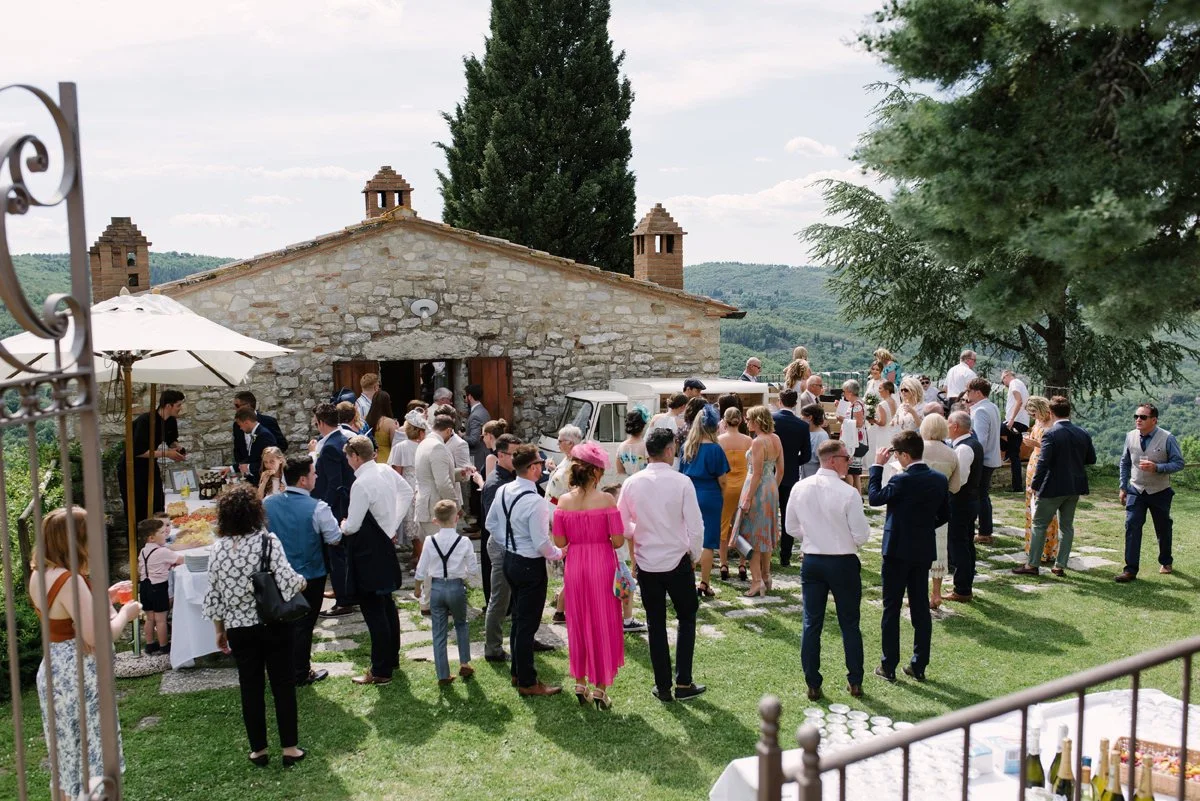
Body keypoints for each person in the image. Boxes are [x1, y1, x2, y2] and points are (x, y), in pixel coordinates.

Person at [30, 507, 140, 800]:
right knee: (93, 761)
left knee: (66, 759)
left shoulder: (41, 574)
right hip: (78, 675)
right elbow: (98, 637)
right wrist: (125, 614)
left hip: (54, 670)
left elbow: (65, 614)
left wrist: (105, 597)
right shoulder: (70, 580)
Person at [202, 486, 307, 768]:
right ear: (255, 512)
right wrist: (303, 582)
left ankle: (258, 750)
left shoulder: (216, 550)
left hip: (238, 627)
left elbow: (214, 595)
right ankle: (289, 747)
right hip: (271, 622)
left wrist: (219, 629)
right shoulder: (267, 542)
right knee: (282, 685)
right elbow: (288, 582)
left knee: (250, 688)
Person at [617, 429, 707, 703]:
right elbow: (696, 526)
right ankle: (683, 681)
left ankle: (664, 686)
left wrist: (639, 530)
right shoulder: (681, 482)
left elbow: (621, 525)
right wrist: (693, 555)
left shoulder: (632, 483)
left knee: (656, 624)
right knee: (687, 617)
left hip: (647, 561)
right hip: (677, 558)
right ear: (668, 450)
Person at [786, 439, 871, 700]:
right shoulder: (848, 493)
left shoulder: (800, 488)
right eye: (846, 458)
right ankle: (854, 680)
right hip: (842, 560)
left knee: (812, 623)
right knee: (849, 623)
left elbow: (791, 527)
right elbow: (861, 535)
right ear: (833, 460)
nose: (849, 462)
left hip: (813, 559)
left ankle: (813, 682)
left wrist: (813, 536)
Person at [867, 431, 950, 683]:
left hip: (896, 550)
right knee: (920, 607)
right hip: (922, 549)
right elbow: (944, 515)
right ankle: (919, 664)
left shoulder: (901, 480)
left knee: (891, 608)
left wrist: (876, 467)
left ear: (904, 454)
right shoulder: (938, 479)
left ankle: (888, 665)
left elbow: (874, 498)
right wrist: (923, 528)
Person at [486, 444, 565, 696]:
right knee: (526, 625)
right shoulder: (536, 502)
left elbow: (491, 523)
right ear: (532, 469)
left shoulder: (504, 490)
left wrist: (509, 542)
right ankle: (528, 681)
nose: (542, 467)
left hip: (509, 559)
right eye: (540, 464)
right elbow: (542, 543)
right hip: (530, 565)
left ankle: (517, 673)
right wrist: (560, 553)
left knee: (519, 619)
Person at [552, 442, 626, 709]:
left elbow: (559, 541)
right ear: (595, 473)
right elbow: (618, 541)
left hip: (576, 565)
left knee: (579, 622)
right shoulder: (606, 500)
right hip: (602, 564)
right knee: (603, 622)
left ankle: (580, 682)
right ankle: (600, 689)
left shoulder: (563, 501)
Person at [263, 454, 343, 686]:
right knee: (304, 625)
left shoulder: (268, 503)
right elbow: (334, 538)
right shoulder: (318, 507)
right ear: (302, 480)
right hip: (310, 574)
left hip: (277, 574)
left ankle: (280, 668)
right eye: (313, 473)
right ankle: (300, 671)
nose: (316, 475)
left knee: (279, 623)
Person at [342, 435, 412, 685]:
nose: (348, 461)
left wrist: (342, 525)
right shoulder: (384, 470)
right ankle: (391, 658)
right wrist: (392, 523)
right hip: (385, 542)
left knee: (374, 610)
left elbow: (352, 525)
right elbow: (407, 491)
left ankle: (381, 670)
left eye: (348, 456)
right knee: (386, 604)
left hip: (369, 551)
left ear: (356, 457)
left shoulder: (360, 484)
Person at [1013, 396, 1096, 578]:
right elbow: (1091, 459)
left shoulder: (1051, 433)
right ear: (1069, 412)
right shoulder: (1083, 432)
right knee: (1067, 527)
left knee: (1039, 524)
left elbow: (1043, 462)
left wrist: (1034, 485)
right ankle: (1060, 565)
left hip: (1052, 486)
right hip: (1074, 486)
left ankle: (1032, 564)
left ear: (1050, 413)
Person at [1116, 402, 1184, 582]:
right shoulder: (1130, 436)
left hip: (1160, 491)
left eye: (1143, 417)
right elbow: (1125, 462)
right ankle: (1130, 570)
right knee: (1132, 526)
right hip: (1136, 489)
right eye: (1136, 416)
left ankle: (1166, 561)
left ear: (1154, 420)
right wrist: (1123, 487)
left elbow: (1179, 463)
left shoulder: (1168, 438)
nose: (1138, 420)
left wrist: (1158, 468)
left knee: (1163, 527)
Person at [414, 500, 479, 685]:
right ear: (456, 518)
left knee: (438, 631)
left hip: (436, 588)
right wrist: (462, 573)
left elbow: (421, 568)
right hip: (456, 586)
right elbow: (473, 570)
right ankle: (464, 662)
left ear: (435, 520)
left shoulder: (429, 540)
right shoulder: (464, 541)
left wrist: (418, 588)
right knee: (461, 624)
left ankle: (443, 673)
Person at [310, 402, 356, 618]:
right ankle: (345, 590)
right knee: (344, 553)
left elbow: (334, 483)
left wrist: (323, 509)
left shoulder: (329, 446)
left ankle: (344, 600)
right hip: (348, 502)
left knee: (336, 554)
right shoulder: (346, 436)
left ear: (320, 423)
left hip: (335, 507)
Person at [679, 404, 730, 597]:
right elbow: (723, 480)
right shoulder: (715, 449)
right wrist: (722, 497)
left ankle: (687, 580)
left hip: (689, 493)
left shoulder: (687, 447)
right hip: (710, 494)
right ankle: (704, 583)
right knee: (707, 541)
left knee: (687, 537)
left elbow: (681, 474)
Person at [413, 415, 461, 610]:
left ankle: (426, 598)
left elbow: (432, 476)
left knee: (430, 554)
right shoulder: (438, 447)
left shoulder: (424, 443)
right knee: (440, 555)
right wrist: (456, 504)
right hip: (436, 506)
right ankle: (433, 601)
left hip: (424, 502)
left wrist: (460, 473)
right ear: (449, 430)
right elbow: (442, 483)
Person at [118, 388, 186, 525]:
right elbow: (138, 451)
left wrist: (177, 448)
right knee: (138, 507)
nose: (180, 408)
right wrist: (167, 454)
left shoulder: (171, 421)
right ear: (168, 406)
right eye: (178, 405)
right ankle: (138, 543)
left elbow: (170, 440)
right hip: (132, 467)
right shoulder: (146, 421)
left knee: (157, 501)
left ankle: (158, 536)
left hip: (150, 464)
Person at [482, 433, 521, 661]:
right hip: (502, 548)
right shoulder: (495, 484)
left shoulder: (516, 478)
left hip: (517, 546)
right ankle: (493, 649)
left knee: (519, 597)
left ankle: (523, 637)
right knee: (499, 599)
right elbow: (492, 523)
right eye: (513, 455)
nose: (517, 459)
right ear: (500, 455)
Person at [920, 414, 963, 608]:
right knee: (938, 551)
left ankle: (918, 593)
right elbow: (955, 487)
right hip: (940, 506)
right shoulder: (951, 453)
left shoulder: (917, 449)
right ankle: (936, 594)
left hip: (917, 505)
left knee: (916, 551)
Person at [741, 405, 783, 596]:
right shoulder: (776, 438)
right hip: (771, 487)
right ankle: (767, 576)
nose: (746, 422)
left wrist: (748, 498)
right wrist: (772, 486)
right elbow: (781, 469)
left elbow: (756, 473)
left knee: (753, 535)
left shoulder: (758, 442)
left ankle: (757, 580)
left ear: (757, 421)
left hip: (756, 488)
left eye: (749, 419)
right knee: (766, 534)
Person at [772, 389, 812, 568]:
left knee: (767, 513)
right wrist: (793, 462)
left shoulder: (772, 419)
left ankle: (765, 551)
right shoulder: (802, 426)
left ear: (780, 400)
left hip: (770, 472)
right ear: (795, 403)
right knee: (787, 516)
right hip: (790, 475)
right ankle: (785, 556)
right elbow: (807, 455)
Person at [945, 411, 983, 601]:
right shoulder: (970, 443)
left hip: (960, 502)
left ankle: (962, 589)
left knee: (959, 545)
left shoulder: (964, 449)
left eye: (948, 422)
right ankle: (965, 583)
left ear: (955, 427)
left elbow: (959, 481)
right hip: (970, 500)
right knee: (966, 543)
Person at [1022, 397, 1060, 565]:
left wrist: (1035, 443)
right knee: (1031, 507)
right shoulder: (1037, 422)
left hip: (1043, 465)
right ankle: (1032, 546)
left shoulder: (1052, 424)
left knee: (1044, 509)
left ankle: (1047, 549)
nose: (1033, 415)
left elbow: (1051, 447)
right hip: (1033, 463)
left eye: (1034, 412)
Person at [137, 518, 183, 655]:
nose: (166, 535)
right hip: (158, 588)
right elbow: (180, 560)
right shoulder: (163, 551)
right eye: (162, 533)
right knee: (161, 619)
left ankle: (150, 644)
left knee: (150, 618)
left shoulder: (143, 551)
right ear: (152, 538)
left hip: (145, 587)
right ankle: (164, 645)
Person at [966, 377, 1002, 544]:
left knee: (979, 496)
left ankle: (984, 532)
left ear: (977, 392)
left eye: (969, 391)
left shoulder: (980, 410)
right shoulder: (992, 406)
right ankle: (985, 530)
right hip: (992, 457)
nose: (967, 395)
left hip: (982, 459)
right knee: (983, 495)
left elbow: (980, 441)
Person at [718, 407, 752, 582]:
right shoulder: (748, 441)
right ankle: (742, 563)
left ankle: (723, 563)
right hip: (744, 486)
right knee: (742, 526)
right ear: (740, 421)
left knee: (724, 526)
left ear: (724, 420)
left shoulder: (719, 441)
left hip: (726, 487)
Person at [463, 383, 491, 529]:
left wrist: (459, 436)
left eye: (465, 396)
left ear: (470, 396)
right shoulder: (483, 411)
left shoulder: (476, 415)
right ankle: (479, 522)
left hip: (478, 455)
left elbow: (473, 440)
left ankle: (480, 524)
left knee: (477, 489)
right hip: (482, 453)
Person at [233, 406, 278, 486]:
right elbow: (253, 457)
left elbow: (270, 463)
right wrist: (232, 468)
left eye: (240, 425)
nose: (240, 428)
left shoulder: (264, 435)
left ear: (247, 422)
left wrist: (249, 467)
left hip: (265, 482)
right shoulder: (257, 433)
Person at [1000, 370, 1030, 492]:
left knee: (992, 431)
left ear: (1007, 376)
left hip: (1015, 421)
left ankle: (1004, 452)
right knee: (1014, 455)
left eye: (1003, 380)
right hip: (1022, 422)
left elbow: (1019, 401)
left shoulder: (1014, 383)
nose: (1004, 383)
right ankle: (1017, 487)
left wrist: (1011, 419)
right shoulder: (1020, 384)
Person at [232, 391, 288, 455]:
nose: (235, 409)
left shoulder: (268, 421)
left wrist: (267, 459)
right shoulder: (236, 425)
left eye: (237, 405)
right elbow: (237, 449)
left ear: (248, 405)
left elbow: (282, 445)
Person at [837, 380, 867, 491]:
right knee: (855, 472)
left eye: (844, 392)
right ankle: (857, 495)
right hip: (853, 439)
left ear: (850, 392)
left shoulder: (857, 405)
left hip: (853, 441)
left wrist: (843, 420)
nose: (843, 394)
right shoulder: (855, 403)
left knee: (849, 470)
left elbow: (859, 423)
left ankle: (851, 493)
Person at [546, 425, 583, 503]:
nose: (557, 444)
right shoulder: (567, 457)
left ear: (570, 443)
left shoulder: (578, 464)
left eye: (560, 441)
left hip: (561, 507)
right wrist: (554, 469)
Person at [365, 390, 399, 465]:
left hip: (370, 459)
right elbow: (395, 443)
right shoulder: (389, 422)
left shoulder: (366, 420)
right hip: (386, 460)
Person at [616, 407, 650, 476]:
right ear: (643, 426)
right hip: (644, 482)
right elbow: (652, 468)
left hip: (629, 482)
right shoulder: (646, 446)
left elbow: (620, 470)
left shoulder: (621, 446)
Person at [799, 404, 829, 480]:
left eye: (802, 416)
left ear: (810, 417)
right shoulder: (806, 432)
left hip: (814, 478)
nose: (800, 419)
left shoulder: (822, 436)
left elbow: (823, 461)